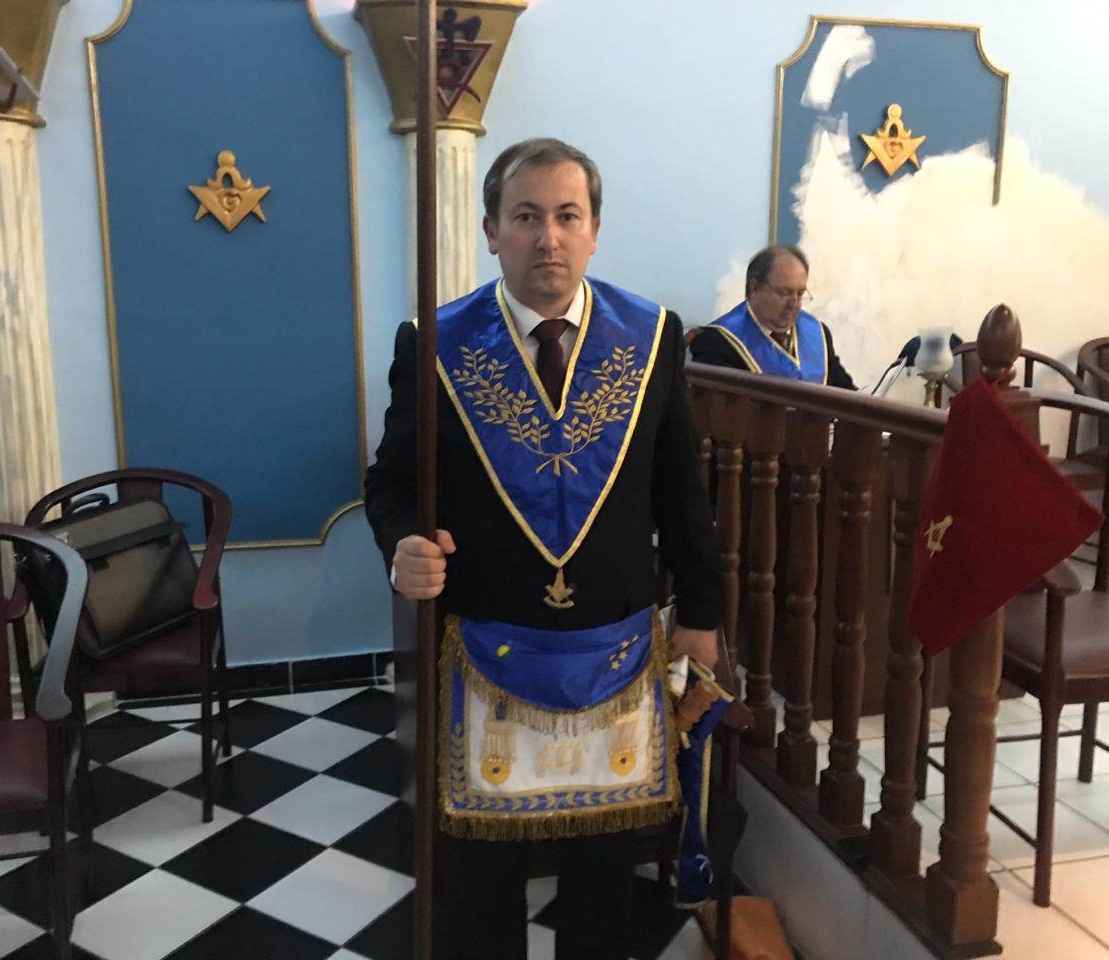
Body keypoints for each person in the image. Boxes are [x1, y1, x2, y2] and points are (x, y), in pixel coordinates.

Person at [364, 138, 724, 960]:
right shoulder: (435, 341)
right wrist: (401, 544)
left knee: (603, 880)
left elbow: (682, 491)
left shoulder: (652, 336)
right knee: (478, 882)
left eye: (567, 216)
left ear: (595, 230)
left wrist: (702, 614)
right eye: (526, 217)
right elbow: (390, 485)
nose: (548, 238)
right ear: (491, 230)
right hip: (485, 647)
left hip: (614, 651)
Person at [689, 245, 856, 389]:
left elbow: (846, 394)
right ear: (754, 288)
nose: (794, 304)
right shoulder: (716, 342)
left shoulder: (818, 334)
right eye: (784, 293)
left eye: (800, 293)